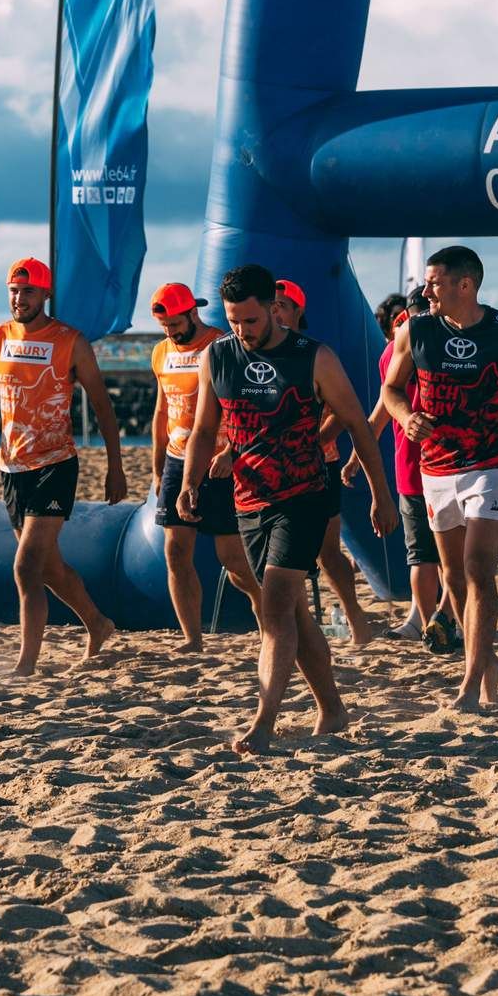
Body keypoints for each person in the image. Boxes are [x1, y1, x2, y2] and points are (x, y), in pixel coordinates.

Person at [176, 264, 398, 753]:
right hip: (249, 499)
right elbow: (203, 429)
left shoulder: (314, 357)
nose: (242, 330)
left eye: (251, 320)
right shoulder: (217, 357)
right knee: (293, 613)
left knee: (275, 606)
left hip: (304, 496)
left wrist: (382, 496)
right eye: (233, 321)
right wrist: (189, 481)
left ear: (273, 309)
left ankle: (263, 722)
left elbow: (358, 425)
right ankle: (332, 709)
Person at [379, 244, 498, 710]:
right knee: (454, 578)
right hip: (436, 467)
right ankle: (488, 661)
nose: (425, 292)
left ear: (465, 285)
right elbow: (391, 388)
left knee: (478, 568)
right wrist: (406, 416)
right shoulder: (414, 330)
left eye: (434, 283)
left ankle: (471, 683)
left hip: (492, 463)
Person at [0, 258, 125, 674]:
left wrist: (115, 466)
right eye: (13, 290)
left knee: (25, 566)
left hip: (55, 464)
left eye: (28, 291)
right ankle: (98, 623)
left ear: (45, 294)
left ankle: (25, 664)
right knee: (48, 567)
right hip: (12, 467)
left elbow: (102, 405)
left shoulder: (70, 341)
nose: (19, 298)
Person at [147, 280, 258, 651]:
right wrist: (158, 467)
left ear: (193, 313)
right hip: (177, 458)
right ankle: (192, 638)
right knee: (175, 552)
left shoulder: (222, 346)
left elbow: (247, 407)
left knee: (232, 558)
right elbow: (161, 411)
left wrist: (232, 452)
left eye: (175, 324)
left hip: (221, 461)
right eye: (164, 326)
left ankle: (267, 616)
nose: (171, 332)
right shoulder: (161, 352)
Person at [347, 288, 458, 652]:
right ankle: (445, 620)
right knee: (450, 557)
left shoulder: (391, 351)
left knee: (422, 556)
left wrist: (356, 456)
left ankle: (428, 626)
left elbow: (381, 409)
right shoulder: (449, 344)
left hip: (410, 469)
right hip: (446, 465)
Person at [270, 276, 378, 646]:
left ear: (297, 311)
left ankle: (357, 621)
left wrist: (313, 442)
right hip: (272, 470)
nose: (275, 312)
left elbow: (344, 413)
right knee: (279, 554)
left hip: (320, 464)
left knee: (327, 552)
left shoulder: (316, 354)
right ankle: (292, 627)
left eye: (282, 306)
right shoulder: (257, 356)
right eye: (271, 306)